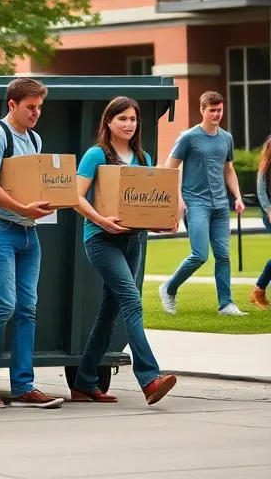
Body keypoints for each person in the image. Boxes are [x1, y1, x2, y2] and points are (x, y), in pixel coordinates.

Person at [70, 97, 177, 405]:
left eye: (133, 119)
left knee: (109, 312)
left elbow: (144, 206)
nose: (129, 124)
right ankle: (149, 378)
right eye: (123, 119)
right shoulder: (96, 154)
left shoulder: (142, 158)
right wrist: (101, 220)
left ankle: (84, 382)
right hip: (101, 241)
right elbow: (76, 196)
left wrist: (158, 223)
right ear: (108, 123)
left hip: (132, 242)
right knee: (132, 302)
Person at [0, 77, 61, 409]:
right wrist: (21, 208)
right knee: (4, 303)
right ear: (13, 105)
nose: (36, 114)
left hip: (27, 233)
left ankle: (23, 386)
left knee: (27, 309)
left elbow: (31, 184)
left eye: (39, 108)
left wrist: (48, 202)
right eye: (30, 108)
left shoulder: (34, 138)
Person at [158, 92, 247, 317]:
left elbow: (228, 169)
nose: (216, 114)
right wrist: (178, 200)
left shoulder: (226, 138)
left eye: (219, 110)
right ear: (202, 110)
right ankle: (168, 288)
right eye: (212, 110)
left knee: (223, 256)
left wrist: (237, 196)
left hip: (220, 205)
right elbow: (169, 169)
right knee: (199, 255)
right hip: (195, 203)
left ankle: (226, 304)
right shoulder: (188, 137)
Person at [249, 135, 271, 310]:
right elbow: (261, 191)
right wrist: (269, 210)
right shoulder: (266, 167)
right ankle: (258, 290)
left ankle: (259, 289)